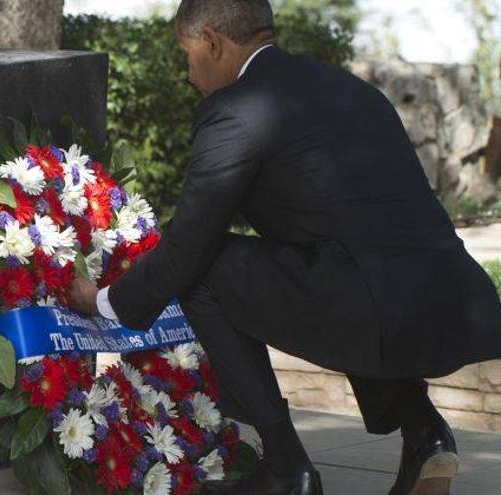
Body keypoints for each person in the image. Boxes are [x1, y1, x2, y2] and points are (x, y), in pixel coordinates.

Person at [67, 1, 501, 494]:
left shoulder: (236, 109)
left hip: (376, 310)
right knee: (340, 265)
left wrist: (104, 301)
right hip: (455, 303)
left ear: (213, 41)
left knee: (208, 270)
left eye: (187, 54)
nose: (188, 73)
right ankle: (426, 433)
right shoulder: (349, 88)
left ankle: (285, 467)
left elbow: (189, 245)